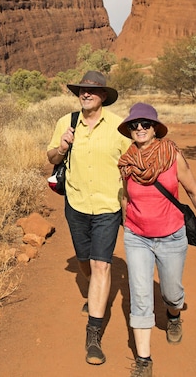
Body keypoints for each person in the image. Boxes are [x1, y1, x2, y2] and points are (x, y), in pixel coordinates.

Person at [116, 102, 196, 377]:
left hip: (172, 237)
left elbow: (193, 191)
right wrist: (128, 222)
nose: (139, 129)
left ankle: (173, 315)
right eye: (134, 125)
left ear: (155, 127)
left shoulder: (172, 156)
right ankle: (144, 361)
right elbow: (126, 196)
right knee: (141, 296)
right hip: (138, 238)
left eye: (145, 124)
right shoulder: (127, 162)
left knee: (171, 294)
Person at [46, 70, 131, 366]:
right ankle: (95, 291)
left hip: (108, 207)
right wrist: (62, 147)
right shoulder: (66, 123)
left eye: (92, 91)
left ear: (103, 96)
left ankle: (93, 334)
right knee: (85, 262)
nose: (85, 94)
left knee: (101, 265)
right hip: (77, 204)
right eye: (82, 90)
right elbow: (51, 159)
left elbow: (134, 163)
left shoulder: (120, 127)